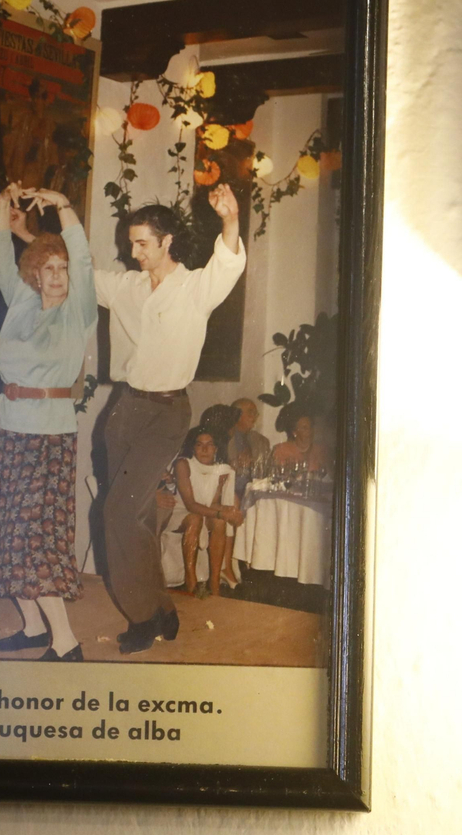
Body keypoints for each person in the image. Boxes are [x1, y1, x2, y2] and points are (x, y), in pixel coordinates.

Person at [95, 185, 245, 654]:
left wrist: (231, 220)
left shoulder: (195, 287)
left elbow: (228, 262)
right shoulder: (129, 287)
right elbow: (78, 277)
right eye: (131, 242)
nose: (132, 252)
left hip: (167, 411)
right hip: (124, 409)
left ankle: (142, 618)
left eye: (142, 243)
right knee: (134, 516)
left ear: (167, 242)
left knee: (118, 511)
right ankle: (161, 607)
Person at [0, 183, 96, 661]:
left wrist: (63, 207)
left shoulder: (77, 311)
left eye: (62, 268)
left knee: (35, 534)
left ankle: (65, 640)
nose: (57, 276)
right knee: (4, 525)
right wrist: (1, 208)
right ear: (34, 273)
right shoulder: (23, 301)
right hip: (7, 425)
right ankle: (31, 626)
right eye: (48, 268)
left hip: (47, 434)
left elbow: (85, 262)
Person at [160, 426, 243, 595]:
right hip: (178, 511)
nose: (204, 449)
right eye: (199, 445)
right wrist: (222, 512)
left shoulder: (223, 470)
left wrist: (230, 513)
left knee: (219, 522)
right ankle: (191, 581)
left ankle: (214, 582)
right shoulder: (183, 464)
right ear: (193, 448)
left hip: (203, 511)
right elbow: (190, 505)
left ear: (216, 448)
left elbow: (211, 504)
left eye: (209, 444)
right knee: (195, 518)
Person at [228, 397, 272, 503]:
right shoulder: (224, 439)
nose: (254, 417)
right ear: (236, 416)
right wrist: (235, 464)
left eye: (255, 413)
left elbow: (269, 472)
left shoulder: (262, 441)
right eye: (250, 412)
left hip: (256, 494)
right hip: (231, 493)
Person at [270, 405, 329, 477]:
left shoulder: (320, 451)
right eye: (304, 428)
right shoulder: (281, 450)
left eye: (310, 427)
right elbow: (276, 476)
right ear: (294, 432)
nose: (309, 431)